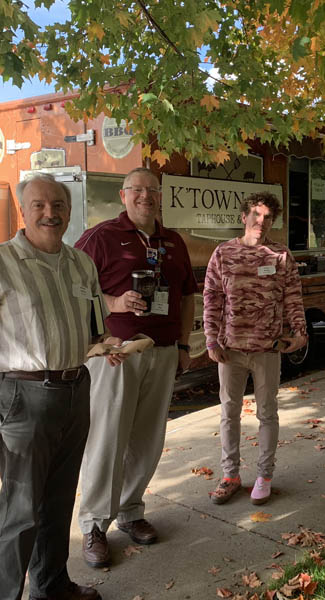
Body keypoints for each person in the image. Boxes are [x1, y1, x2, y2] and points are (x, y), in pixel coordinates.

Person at [0, 174, 117, 600]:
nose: (50, 213)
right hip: (23, 397)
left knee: (59, 500)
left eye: (58, 205)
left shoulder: (81, 262)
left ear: (69, 211)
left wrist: (108, 346)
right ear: (23, 210)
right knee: (20, 512)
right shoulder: (3, 262)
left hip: (75, 389)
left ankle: (50, 587)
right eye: (39, 205)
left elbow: (92, 334)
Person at [75, 167, 197, 568]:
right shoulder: (100, 237)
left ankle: (130, 512)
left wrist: (182, 344)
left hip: (162, 352)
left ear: (160, 196)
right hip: (117, 354)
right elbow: (75, 291)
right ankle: (93, 525)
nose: (146, 196)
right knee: (108, 439)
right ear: (123, 196)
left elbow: (185, 298)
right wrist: (113, 305)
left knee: (147, 439)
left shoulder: (174, 241)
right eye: (137, 190)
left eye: (153, 190)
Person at [203, 191, 307, 505]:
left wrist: (300, 332)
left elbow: (293, 297)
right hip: (230, 349)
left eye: (267, 218)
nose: (261, 222)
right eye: (256, 215)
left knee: (267, 414)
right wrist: (211, 339)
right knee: (229, 413)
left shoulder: (280, 255)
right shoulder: (223, 253)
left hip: (267, 349)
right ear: (244, 216)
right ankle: (230, 475)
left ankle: (264, 475)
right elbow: (211, 298)